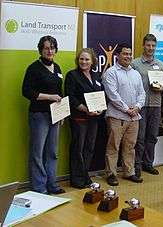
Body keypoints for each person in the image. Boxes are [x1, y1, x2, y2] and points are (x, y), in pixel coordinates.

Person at [22, 35, 65, 194]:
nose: (50, 51)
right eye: (46, 48)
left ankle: (52, 184)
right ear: (41, 50)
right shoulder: (33, 68)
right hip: (39, 115)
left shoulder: (58, 68)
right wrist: (48, 97)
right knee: (37, 153)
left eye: (52, 48)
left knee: (52, 152)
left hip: (55, 115)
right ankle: (39, 188)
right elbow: (26, 92)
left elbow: (59, 93)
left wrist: (61, 115)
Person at [102, 43, 146, 186]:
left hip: (134, 117)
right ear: (118, 56)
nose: (128, 56)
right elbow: (112, 95)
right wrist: (127, 109)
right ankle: (111, 174)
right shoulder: (111, 72)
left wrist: (138, 107)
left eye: (129, 54)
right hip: (117, 116)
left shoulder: (135, 73)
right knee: (113, 146)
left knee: (130, 146)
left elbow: (142, 93)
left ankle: (129, 172)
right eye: (125, 54)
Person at [65, 48, 103, 189]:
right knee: (78, 149)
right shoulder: (72, 75)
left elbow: (101, 94)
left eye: (87, 59)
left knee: (89, 148)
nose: (84, 61)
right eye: (81, 59)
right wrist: (86, 109)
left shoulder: (96, 76)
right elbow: (71, 97)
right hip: (79, 118)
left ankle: (85, 176)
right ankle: (77, 180)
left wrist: (99, 108)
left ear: (92, 61)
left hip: (94, 119)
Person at [132, 34, 163, 177]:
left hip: (156, 105)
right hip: (140, 106)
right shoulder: (135, 64)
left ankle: (148, 163)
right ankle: (137, 165)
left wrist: (161, 88)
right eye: (148, 45)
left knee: (152, 136)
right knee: (139, 137)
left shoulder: (161, 64)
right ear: (143, 45)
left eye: (153, 45)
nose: (150, 48)